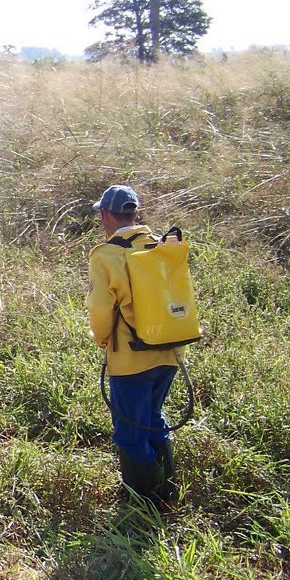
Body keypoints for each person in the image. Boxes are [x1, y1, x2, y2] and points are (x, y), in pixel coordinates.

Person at [86, 184, 180, 505]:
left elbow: (100, 310)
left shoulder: (108, 255)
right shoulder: (162, 246)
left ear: (106, 214)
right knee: (153, 418)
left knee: (130, 430)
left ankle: (141, 503)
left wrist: (103, 340)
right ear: (135, 212)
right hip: (168, 352)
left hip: (130, 359)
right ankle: (165, 492)